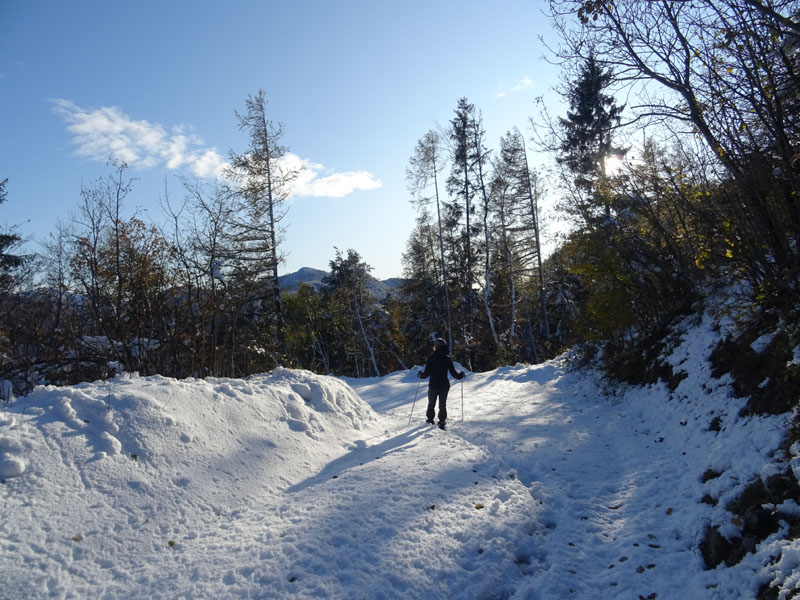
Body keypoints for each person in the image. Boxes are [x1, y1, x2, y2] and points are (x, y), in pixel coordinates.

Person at [418, 338, 465, 430]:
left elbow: (426, 373)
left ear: (436, 346)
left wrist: (420, 375)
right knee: (442, 405)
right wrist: (460, 375)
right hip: (444, 385)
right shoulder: (447, 358)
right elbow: (453, 373)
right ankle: (442, 422)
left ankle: (430, 420)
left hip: (433, 385)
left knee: (431, 404)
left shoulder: (432, 358)